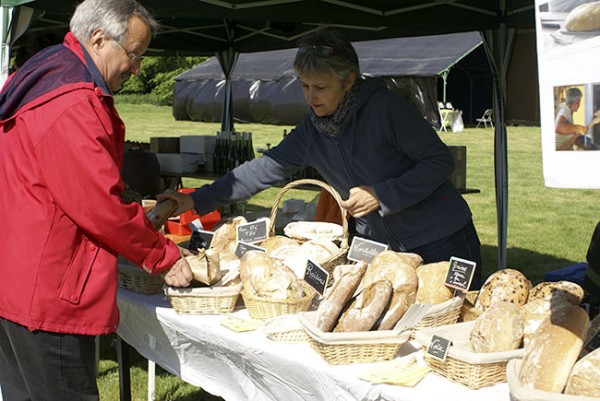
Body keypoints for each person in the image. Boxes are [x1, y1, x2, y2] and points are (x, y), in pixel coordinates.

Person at [160, 28, 483, 287]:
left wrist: (381, 194)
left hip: (441, 238)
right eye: (304, 86)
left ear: (349, 81)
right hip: (380, 248)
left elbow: (440, 161)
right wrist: (197, 200)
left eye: (320, 87)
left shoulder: (387, 109)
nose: (310, 97)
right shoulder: (312, 129)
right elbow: (261, 170)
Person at [0, 1, 193, 400]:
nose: (137, 68)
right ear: (99, 39)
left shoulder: (42, 77)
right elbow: (99, 205)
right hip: (50, 292)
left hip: (18, 279)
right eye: (135, 54)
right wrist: (163, 256)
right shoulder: (72, 101)